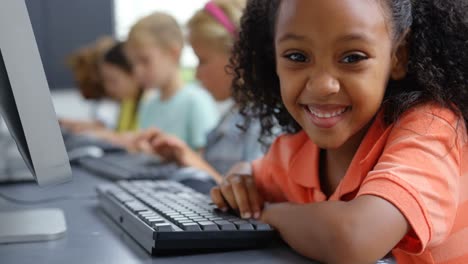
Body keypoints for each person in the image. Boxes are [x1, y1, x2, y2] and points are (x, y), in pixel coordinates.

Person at [210, 0, 468, 263]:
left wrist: (266, 214)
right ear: (273, 58)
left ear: (398, 56)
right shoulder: (295, 153)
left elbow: (355, 238)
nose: (323, 86)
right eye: (297, 56)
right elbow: (251, 175)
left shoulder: (431, 128)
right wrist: (239, 178)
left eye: (352, 58)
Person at [137, 0, 265, 184]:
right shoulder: (232, 114)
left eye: (202, 60)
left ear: (238, 56)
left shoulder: (264, 124)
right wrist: (181, 156)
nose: (197, 74)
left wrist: (196, 164)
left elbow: (254, 206)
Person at [125, 12, 219, 151]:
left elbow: (207, 162)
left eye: (145, 60)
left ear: (173, 53)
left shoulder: (196, 101)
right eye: (134, 63)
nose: (137, 71)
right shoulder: (149, 104)